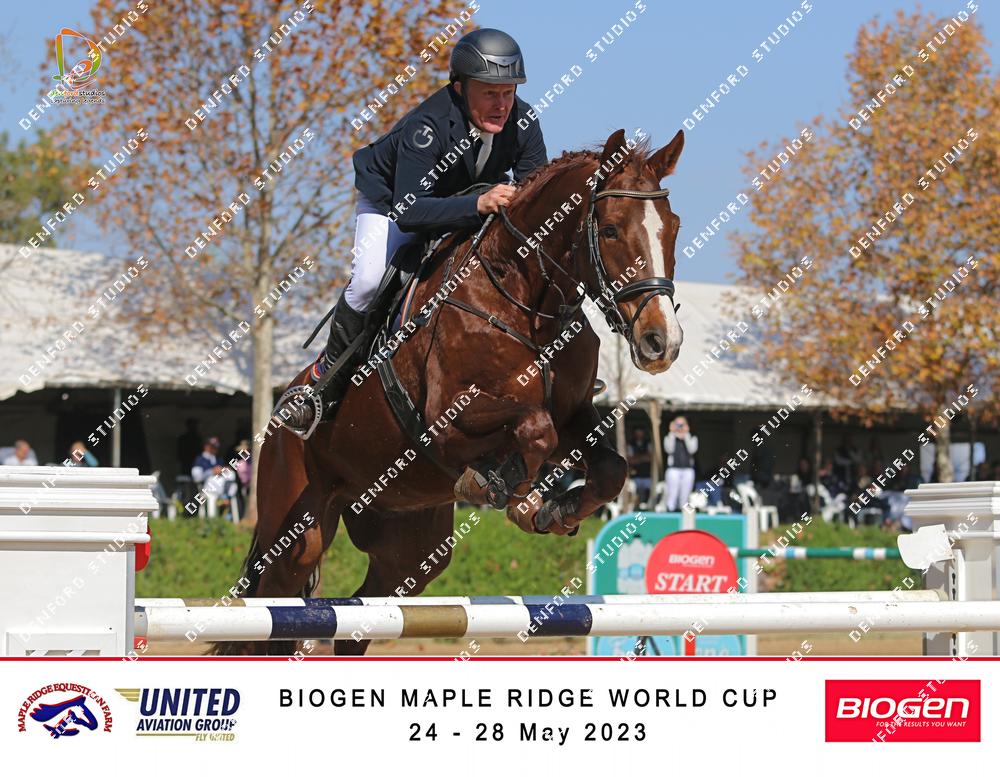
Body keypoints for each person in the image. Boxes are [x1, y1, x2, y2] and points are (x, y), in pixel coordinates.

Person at [277, 28, 547, 434]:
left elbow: (533, 198)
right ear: (459, 87)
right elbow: (411, 211)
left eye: (508, 92)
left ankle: (553, 366)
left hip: (467, 201)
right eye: (490, 93)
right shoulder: (428, 126)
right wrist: (478, 204)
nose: (502, 105)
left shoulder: (523, 121)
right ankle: (325, 381)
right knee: (368, 281)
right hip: (394, 203)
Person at [191, 436, 236, 513]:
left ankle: (227, 498)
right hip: (206, 489)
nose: (215, 449)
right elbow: (197, 478)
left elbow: (229, 475)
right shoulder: (200, 460)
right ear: (206, 446)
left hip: (222, 488)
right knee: (214, 482)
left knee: (231, 476)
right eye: (212, 446)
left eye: (216, 447)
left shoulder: (219, 459)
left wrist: (224, 470)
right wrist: (211, 472)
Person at [664, 417, 698, 511]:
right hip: (673, 469)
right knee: (672, 494)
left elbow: (692, 450)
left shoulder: (692, 437)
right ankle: (670, 512)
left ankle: (683, 514)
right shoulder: (669, 437)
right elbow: (669, 449)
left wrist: (686, 434)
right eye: (677, 424)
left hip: (688, 470)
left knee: (685, 496)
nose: (680, 427)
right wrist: (672, 433)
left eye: (682, 424)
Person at [626, 427, 652, 506]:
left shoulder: (648, 443)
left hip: (647, 474)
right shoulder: (630, 444)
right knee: (634, 492)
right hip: (635, 475)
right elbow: (630, 460)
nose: (639, 436)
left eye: (640, 433)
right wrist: (643, 457)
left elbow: (650, 458)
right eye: (637, 434)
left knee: (648, 493)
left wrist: (637, 458)